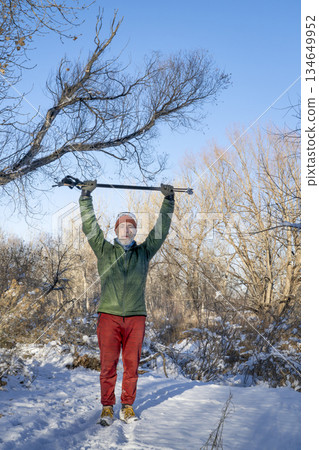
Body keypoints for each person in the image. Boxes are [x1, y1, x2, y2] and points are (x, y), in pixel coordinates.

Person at [79, 180, 175, 426]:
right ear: (116, 230)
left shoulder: (144, 252)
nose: (126, 230)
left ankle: (128, 406)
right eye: (122, 226)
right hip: (108, 317)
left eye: (131, 227)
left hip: (136, 318)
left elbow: (160, 231)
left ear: (135, 232)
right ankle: (107, 408)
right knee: (108, 366)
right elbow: (90, 227)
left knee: (131, 366)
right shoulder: (104, 251)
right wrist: (86, 197)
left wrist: (169, 201)